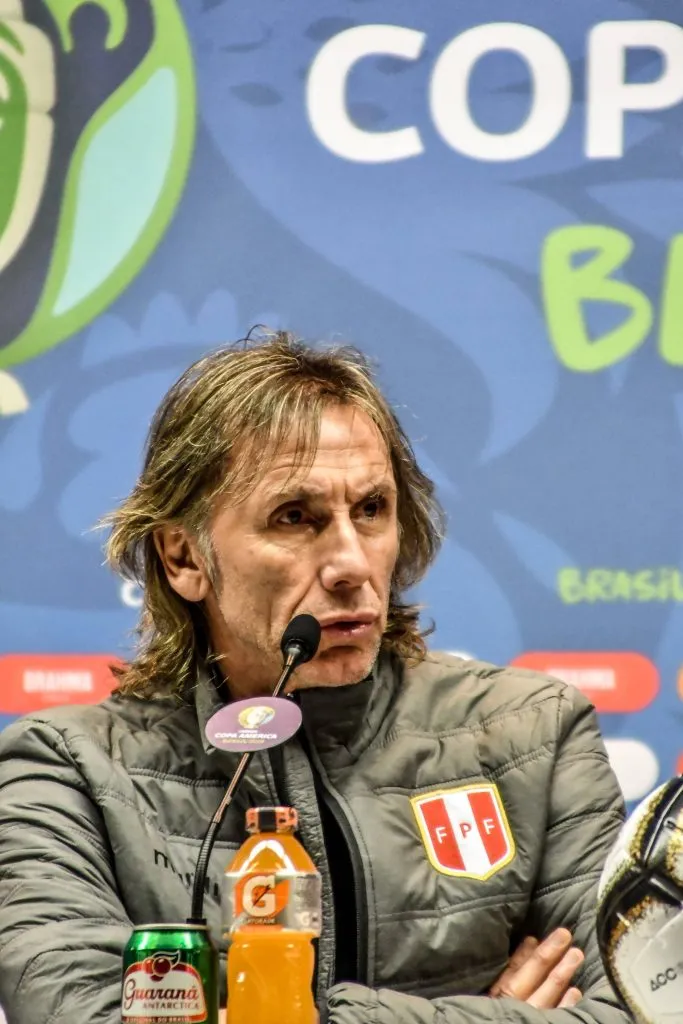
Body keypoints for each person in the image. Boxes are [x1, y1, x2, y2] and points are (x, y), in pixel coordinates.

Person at [0, 332, 629, 1024]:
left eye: (371, 510)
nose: (350, 564)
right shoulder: (69, 772)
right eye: (295, 518)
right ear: (184, 557)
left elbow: (630, 1010)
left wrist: (307, 1015)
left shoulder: (532, 734)